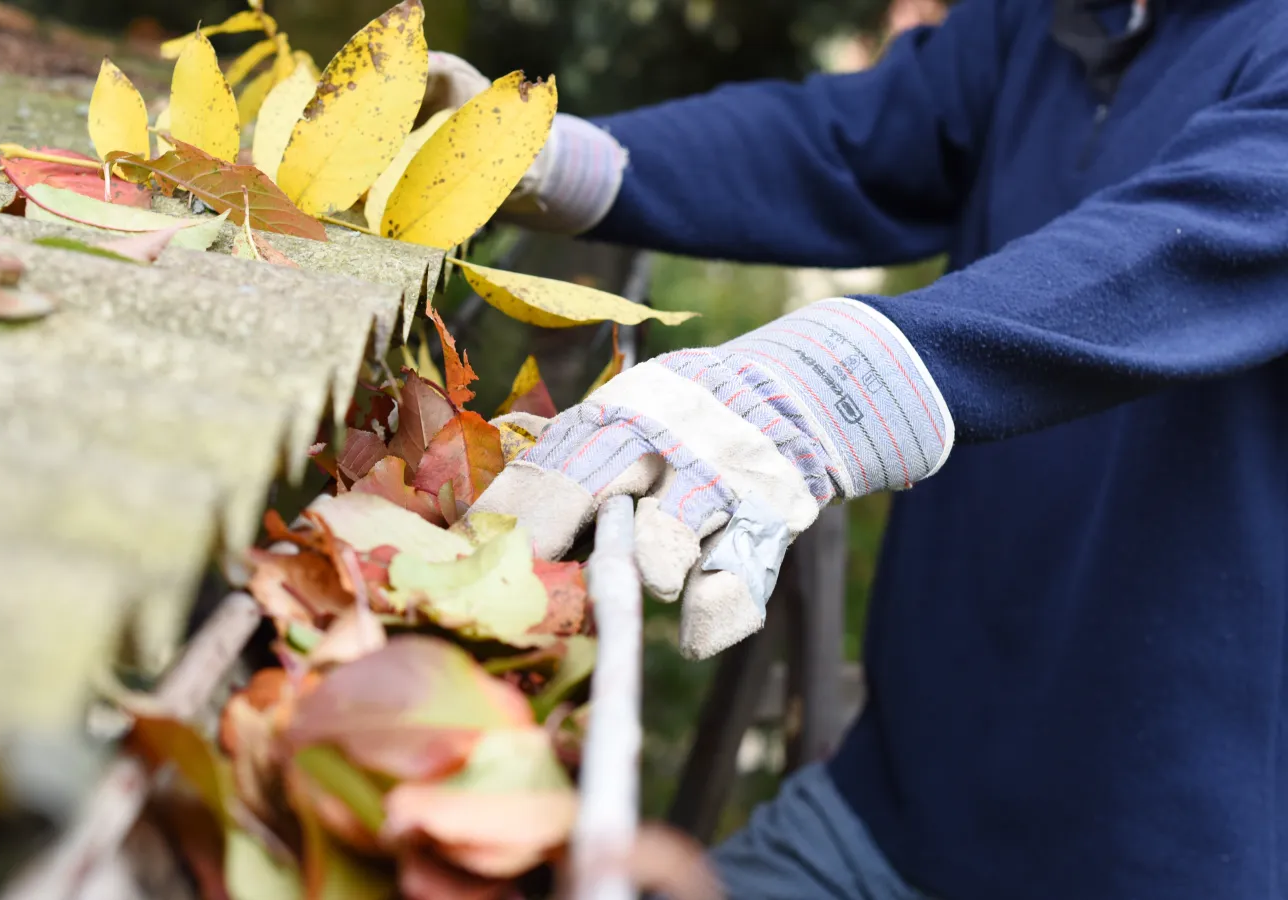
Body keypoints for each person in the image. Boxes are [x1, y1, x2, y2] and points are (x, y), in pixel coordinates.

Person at [430, 0, 1288, 897]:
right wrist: (548, 156)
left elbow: (1207, 234)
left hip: (1164, 859)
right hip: (885, 814)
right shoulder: (1046, 21)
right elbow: (843, 143)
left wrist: (833, 385)